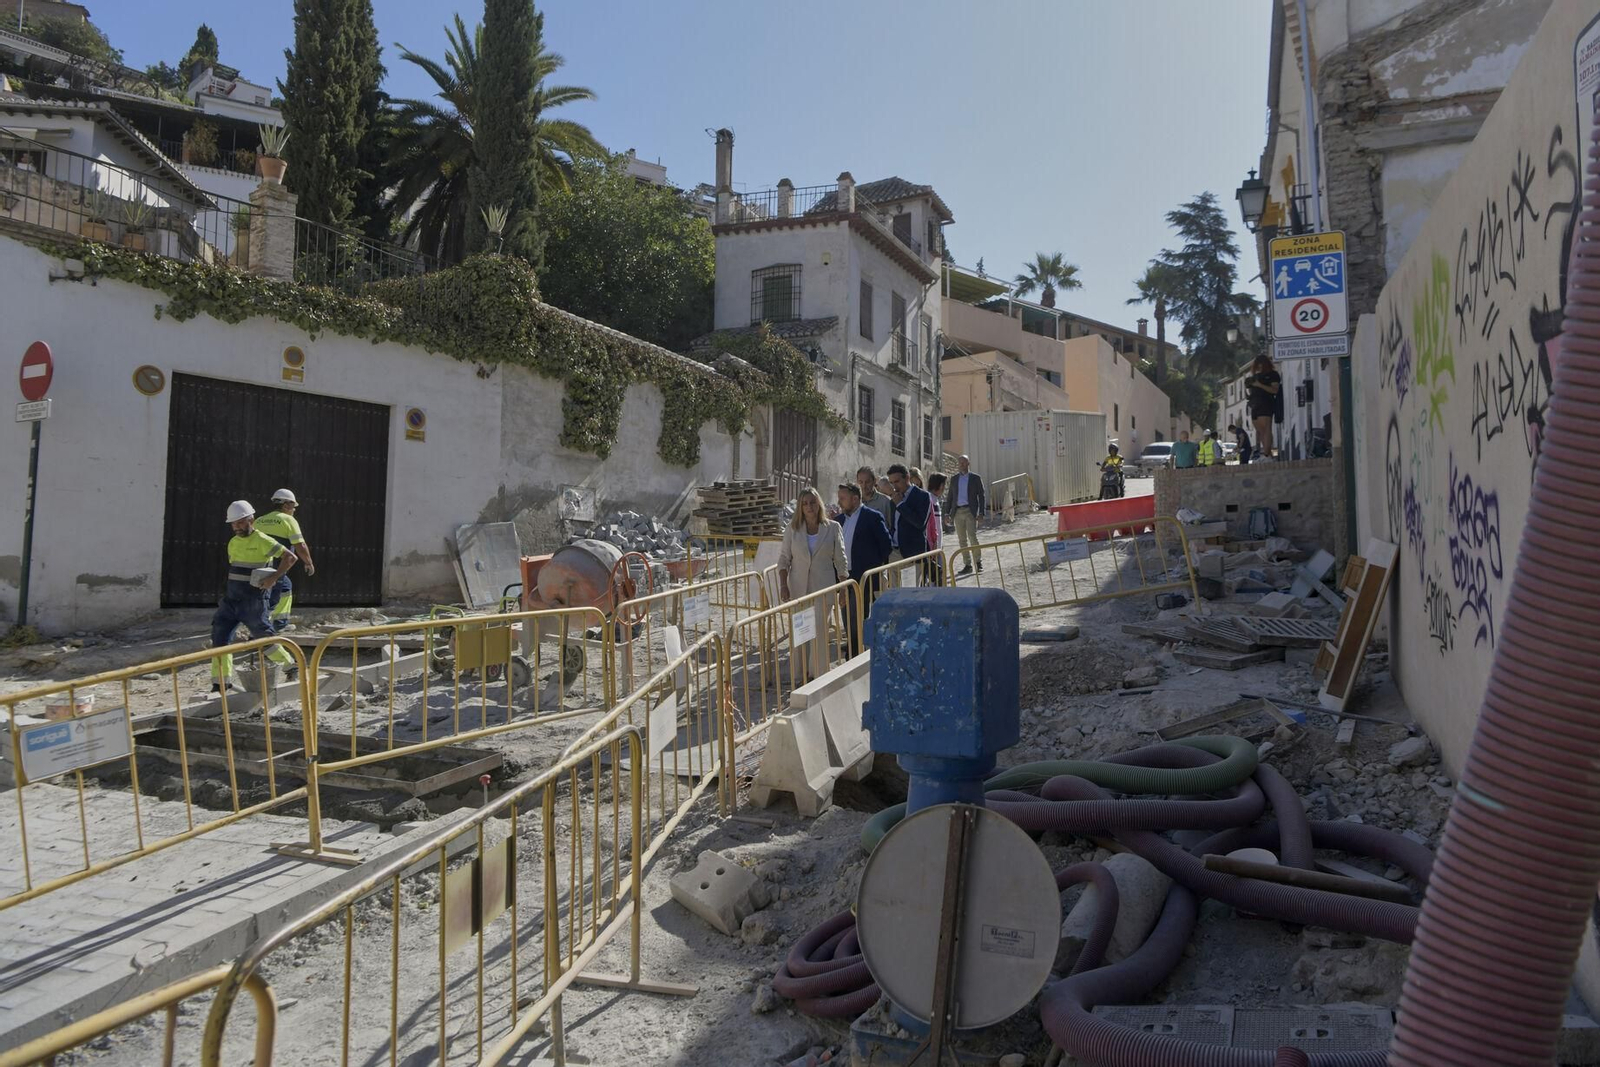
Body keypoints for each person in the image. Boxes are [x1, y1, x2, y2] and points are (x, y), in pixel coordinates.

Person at [211, 500, 298, 692]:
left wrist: (274, 578)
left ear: (251, 519)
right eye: (233, 524)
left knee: (263, 637)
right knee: (219, 635)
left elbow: (290, 557)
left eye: (241, 522)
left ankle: (291, 666)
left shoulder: (262, 540)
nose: (237, 527)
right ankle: (220, 682)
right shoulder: (233, 543)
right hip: (232, 599)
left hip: (253, 600)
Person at [777, 487, 848, 678]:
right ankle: (799, 675)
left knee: (819, 630)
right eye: (805, 503)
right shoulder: (792, 530)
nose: (809, 507)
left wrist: (843, 587)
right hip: (798, 587)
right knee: (800, 631)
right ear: (800, 507)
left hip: (823, 587)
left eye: (813, 502)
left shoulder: (832, 528)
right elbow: (784, 558)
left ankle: (818, 674)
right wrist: (783, 584)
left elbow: (840, 560)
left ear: (819, 503)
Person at [837, 482, 892, 656]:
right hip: (844, 579)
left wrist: (875, 567)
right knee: (847, 617)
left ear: (855, 499)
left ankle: (854, 655)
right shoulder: (838, 521)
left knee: (856, 617)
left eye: (842, 498)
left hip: (863, 577)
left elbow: (886, 546)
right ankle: (855, 651)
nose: (839, 502)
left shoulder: (872, 517)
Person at [254, 488, 315, 633]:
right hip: (276, 565)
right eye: (293, 507)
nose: (294, 510)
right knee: (273, 595)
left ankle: (278, 621)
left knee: (284, 587)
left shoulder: (259, 520)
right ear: (286, 505)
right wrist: (308, 562)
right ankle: (272, 626)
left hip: (257, 564)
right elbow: (300, 545)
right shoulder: (288, 520)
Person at [945, 455, 987, 575]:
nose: (961, 465)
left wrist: (981, 513)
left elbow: (982, 496)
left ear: (968, 463)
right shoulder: (954, 479)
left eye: (964, 463)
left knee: (972, 537)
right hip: (957, 512)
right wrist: (947, 513)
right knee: (962, 540)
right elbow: (950, 497)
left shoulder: (975, 478)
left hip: (970, 511)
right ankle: (967, 564)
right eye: (960, 463)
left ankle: (978, 562)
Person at [888, 464, 932, 561]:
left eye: (897, 481)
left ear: (907, 478)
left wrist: (900, 504)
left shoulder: (923, 496)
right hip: (894, 552)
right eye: (891, 483)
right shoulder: (894, 499)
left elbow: (920, 523)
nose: (894, 486)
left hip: (913, 553)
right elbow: (894, 524)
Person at [1245, 355, 1281, 460]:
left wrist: (1259, 385)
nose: (1259, 367)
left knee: (1266, 429)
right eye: (1257, 365)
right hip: (1255, 405)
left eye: (1261, 365)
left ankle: (1266, 454)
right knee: (1260, 431)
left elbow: (1275, 390)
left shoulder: (1273, 375)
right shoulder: (1255, 376)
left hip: (1266, 403)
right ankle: (1267, 453)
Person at [924, 473, 947, 586]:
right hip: (932, 545)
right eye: (943, 484)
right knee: (935, 576)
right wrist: (933, 543)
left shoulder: (935, 499)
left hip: (937, 545)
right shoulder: (929, 499)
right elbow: (930, 525)